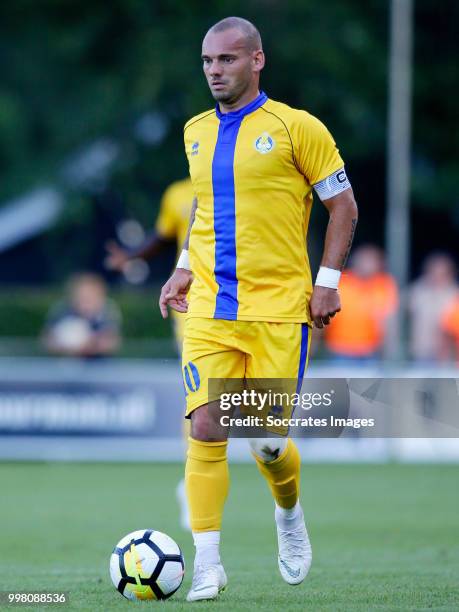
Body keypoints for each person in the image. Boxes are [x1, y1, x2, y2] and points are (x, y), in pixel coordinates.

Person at [159, 17, 358, 602]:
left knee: (268, 441)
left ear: (256, 61)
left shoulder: (297, 128)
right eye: (207, 61)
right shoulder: (195, 131)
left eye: (226, 60)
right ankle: (207, 562)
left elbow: (342, 207)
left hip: (279, 309)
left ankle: (289, 516)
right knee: (205, 427)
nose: (214, 71)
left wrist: (327, 281)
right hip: (211, 310)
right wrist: (182, 269)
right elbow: (202, 213)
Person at [105, 177, 194, 530]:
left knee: (246, 404)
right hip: (193, 306)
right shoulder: (178, 193)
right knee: (201, 397)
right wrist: (131, 256)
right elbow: (162, 237)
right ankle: (192, 484)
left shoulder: (258, 174)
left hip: (252, 304)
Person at [323, 245, 398, 362]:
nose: (368, 265)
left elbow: (389, 319)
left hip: (371, 351)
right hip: (341, 349)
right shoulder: (341, 282)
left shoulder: (384, 284)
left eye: (372, 261)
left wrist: (389, 349)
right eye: (365, 260)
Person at [43, 273, 121, 358]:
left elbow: (112, 342)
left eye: (89, 298)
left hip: (99, 363)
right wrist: (64, 347)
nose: (85, 304)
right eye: (81, 298)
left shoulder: (107, 311)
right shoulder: (61, 310)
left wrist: (90, 346)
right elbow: (47, 340)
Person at [407, 253, 457, 362]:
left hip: (447, 355)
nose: (437, 275)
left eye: (441, 272)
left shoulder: (455, 294)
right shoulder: (417, 291)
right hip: (421, 351)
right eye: (434, 271)